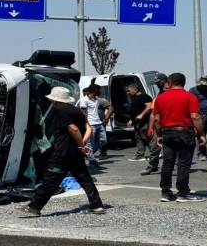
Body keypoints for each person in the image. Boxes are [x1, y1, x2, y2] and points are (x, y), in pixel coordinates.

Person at [16, 86, 106, 216]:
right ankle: (97, 205)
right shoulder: (77, 111)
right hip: (76, 153)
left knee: (50, 179)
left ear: (56, 100)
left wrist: (81, 144)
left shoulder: (60, 110)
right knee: (85, 179)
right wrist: (82, 145)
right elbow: (89, 128)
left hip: (63, 152)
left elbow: (73, 129)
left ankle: (34, 207)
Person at [152, 73, 206, 202]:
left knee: (167, 163)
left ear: (169, 83)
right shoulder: (190, 96)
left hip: (167, 132)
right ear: (184, 83)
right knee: (183, 164)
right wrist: (201, 134)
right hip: (184, 132)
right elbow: (195, 117)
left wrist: (159, 135)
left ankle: (165, 192)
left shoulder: (160, 98)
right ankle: (183, 193)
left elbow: (157, 119)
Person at [141, 72, 169, 176]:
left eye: (159, 82)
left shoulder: (171, 91)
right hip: (159, 124)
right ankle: (153, 165)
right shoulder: (159, 94)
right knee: (154, 146)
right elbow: (153, 112)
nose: (157, 84)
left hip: (170, 124)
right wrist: (150, 127)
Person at [77, 84, 112, 162]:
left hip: (98, 123)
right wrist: (87, 123)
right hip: (91, 124)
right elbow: (83, 112)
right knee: (90, 143)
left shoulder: (96, 99)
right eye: (98, 90)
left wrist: (105, 119)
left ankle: (88, 153)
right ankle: (92, 159)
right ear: (94, 90)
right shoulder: (84, 100)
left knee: (103, 140)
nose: (100, 91)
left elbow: (110, 107)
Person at [126, 85, 153, 162]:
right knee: (138, 138)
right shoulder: (134, 98)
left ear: (135, 89)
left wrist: (142, 114)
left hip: (144, 122)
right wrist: (131, 120)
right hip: (137, 122)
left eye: (129, 91)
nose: (128, 93)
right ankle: (140, 155)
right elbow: (135, 110)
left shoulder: (145, 96)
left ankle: (154, 153)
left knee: (146, 138)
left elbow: (149, 106)